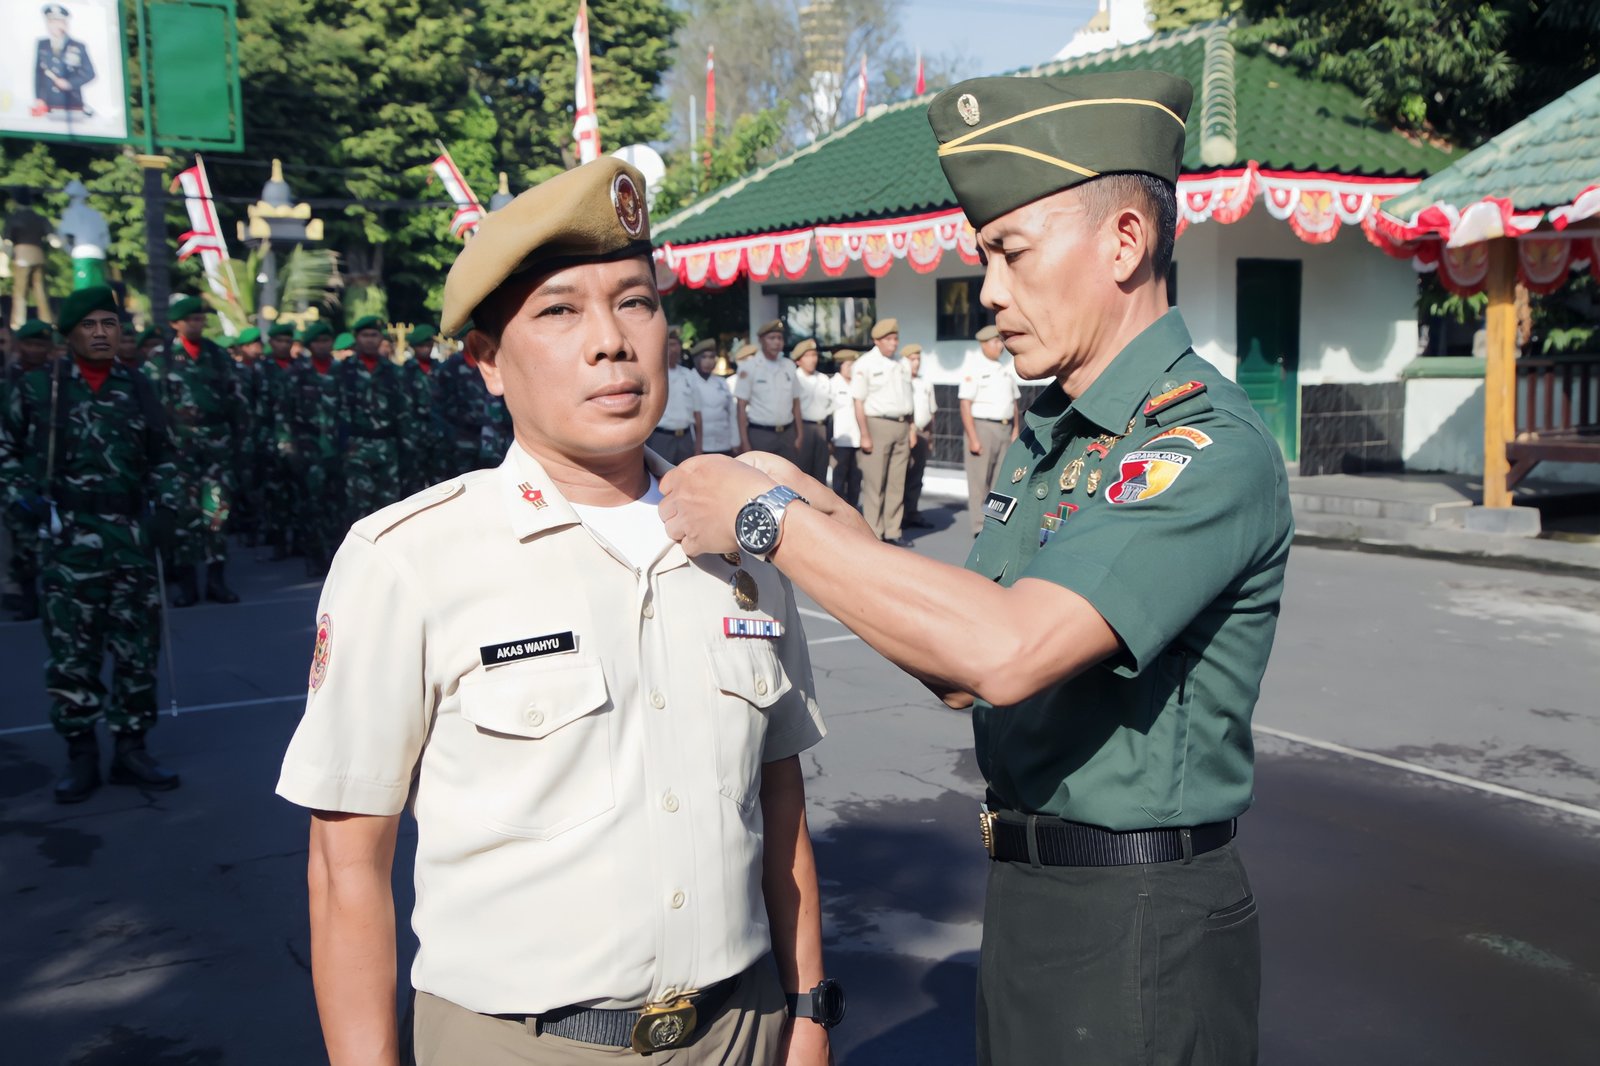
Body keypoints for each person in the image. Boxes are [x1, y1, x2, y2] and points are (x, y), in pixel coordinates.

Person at [658, 70, 1291, 1066]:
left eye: (1012, 251)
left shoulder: (1200, 445)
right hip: (1037, 898)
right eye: (984, 255)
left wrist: (765, 519)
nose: (990, 291)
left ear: (1124, 241)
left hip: (1139, 920)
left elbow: (1005, 650)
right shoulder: (1064, 431)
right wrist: (805, 499)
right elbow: (960, 652)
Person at [276, 156, 836, 1066]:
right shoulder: (409, 560)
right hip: (522, 1045)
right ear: (488, 362)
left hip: (743, 1027)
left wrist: (808, 1011)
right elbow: (346, 867)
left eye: (635, 302)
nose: (611, 341)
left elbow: (781, 801)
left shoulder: (744, 539)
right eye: (560, 311)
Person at [0, 286, 183, 802]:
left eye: (109, 323)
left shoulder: (138, 385)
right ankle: (81, 753)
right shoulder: (39, 387)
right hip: (69, 538)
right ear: (70, 334)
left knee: (136, 649)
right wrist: (22, 500)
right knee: (72, 653)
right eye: (89, 325)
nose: (101, 333)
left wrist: (167, 510)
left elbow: (164, 455)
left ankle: (131, 747)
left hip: (129, 538)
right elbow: (6, 451)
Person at [147, 295, 246, 606]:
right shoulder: (160, 358)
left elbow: (236, 399)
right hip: (179, 448)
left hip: (216, 445)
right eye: (190, 319)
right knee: (184, 516)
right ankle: (187, 583)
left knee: (217, 512)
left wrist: (238, 440)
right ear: (175, 324)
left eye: (200, 319)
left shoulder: (217, 355)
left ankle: (217, 580)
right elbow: (152, 407)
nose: (196, 324)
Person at [337, 315, 407, 534]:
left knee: (389, 508)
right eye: (365, 335)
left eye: (374, 335)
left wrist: (406, 445)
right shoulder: (343, 370)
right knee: (359, 508)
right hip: (356, 448)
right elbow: (333, 411)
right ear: (357, 338)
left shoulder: (394, 371)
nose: (370, 340)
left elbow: (404, 411)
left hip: (387, 447)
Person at [851, 319, 913, 545]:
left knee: (897, 481)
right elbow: (858, 402)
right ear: (877, 341)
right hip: (877, 424)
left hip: (902, 423)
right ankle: (874, 533)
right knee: (875, 482)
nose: (894, 343)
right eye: (888, 339)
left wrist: (911, 428)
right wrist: (864, 434)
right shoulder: (865, 364)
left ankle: (893, 530)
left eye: (896, 339)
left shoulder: (903, 362)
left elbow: (910, 397)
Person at [287, 322, 342, 577]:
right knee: (313, 505)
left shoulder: (342, 371)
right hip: (309, 447)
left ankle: (337, 556)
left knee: (338, 506)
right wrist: (288, 448)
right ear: (310, 345)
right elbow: (284, 413)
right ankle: (315, 557)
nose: (323, 345)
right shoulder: (296, 373)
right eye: (318, 341)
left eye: (326, 340)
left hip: (338, 448)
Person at [960, 325, 1023, 537]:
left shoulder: (1006, 369)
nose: (1000, 346)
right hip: (982, 428)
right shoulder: (974, 369)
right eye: (995, 342)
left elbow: (1014, 404)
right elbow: (965, 405)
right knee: (979, 481)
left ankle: (994, 523)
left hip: (1005, 428)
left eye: (1000, 341)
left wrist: (1015, 430)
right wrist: (973, 437)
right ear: (983, 344)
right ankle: (979, 526)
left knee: (1001, 480)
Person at [258, 323, 300, 559]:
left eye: (287, 341)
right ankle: (279, 542)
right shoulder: (260, 369)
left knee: (299, 493)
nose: (284, 345)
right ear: (271, 343)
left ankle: (301, 542)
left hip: (299, 441)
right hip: (270, 440)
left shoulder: (300, 368)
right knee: (275, 495)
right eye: (279, 341)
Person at [734, 319, 802, 461]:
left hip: (787, 433)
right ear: (761, 340)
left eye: (780, 338)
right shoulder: (749, 367)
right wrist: (744, 441)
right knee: (760, 473)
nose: (777, 342)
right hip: (760, 434)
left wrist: (799, 434)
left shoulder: (789, 366)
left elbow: (796, 403)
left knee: (787, 473)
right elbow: (741, 407)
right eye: (772, 338)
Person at [33, 4, 96, 116]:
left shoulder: (78, 46)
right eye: (52, 22)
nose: (55, 26)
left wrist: (69, 83)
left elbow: (90, 73)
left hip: (71, 103)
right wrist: (39, 98)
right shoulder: (42, 45)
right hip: (49, 104)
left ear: (65, 24)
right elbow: (38, 73)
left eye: (59, 22)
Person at [650, 337, 703, 464]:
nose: (673, 349)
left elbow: (697, 413)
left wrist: (699, 446)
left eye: (675, 345)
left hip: (686, 438)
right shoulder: (654, 374)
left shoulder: (688, 375)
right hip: (661, 437)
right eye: (669, 345)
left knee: (687, 474)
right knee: (660, 474)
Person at [902, 343, 937, 529]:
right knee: (901, 475)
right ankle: (899, 515)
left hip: (922, 432)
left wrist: (930, 436)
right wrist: (910, 430)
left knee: (917, 475)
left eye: (918, 359)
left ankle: (912, 512)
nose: (916, 363)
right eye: (912, 359)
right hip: (906, 432)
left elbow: (931, 411)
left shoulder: (925, 382)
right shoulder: (901, 381)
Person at [791, 339, 832, 486]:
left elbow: (830, 406)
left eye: (814, 355)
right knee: (802, 471)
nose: (812, 359)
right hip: (802, 427)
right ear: (798, 360)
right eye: (807, 356)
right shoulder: (794, 378)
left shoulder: (823, 379)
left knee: (820, 471)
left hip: (821, 427)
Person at [691, 337, 739, 456]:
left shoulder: (721, 382)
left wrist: (735, 440)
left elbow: (731, 413)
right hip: (699, 445)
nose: (708, 361)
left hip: (724, 442)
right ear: (696, 359)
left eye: (712, 357)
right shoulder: (688, 380)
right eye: (704, 357)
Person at [827, 350, 861, 508]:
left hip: (858, 439)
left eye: (854, 365)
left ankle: (853, 510)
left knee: (855, 478)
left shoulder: (858, 383)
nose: (851, 368)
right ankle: (839, 512)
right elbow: (828, 414)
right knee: (839, 479)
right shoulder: (832, 384)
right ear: (840, 366)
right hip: (839, 439)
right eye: (848, 365)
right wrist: (829, 438)